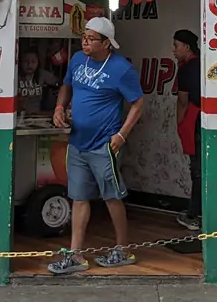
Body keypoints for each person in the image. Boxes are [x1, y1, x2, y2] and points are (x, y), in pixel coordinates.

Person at [48, 17, 145, 275]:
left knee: (112, 196)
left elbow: (137, 103)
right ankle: (75, 255)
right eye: (84, 37)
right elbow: (66, 86)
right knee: (78, 198)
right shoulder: (78, 59)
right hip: (77, 142)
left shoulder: (121, 69)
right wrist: (59, 107)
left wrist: (122, 134)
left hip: (105, 144)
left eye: (91, 39)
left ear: (106, 43)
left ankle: (122, 249)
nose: (85, 42)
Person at [172, 29, 201, 231]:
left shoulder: (185, 70)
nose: (173, 50)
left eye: (176, 46)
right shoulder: (205, 63)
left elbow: (183, 101)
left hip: (195, 121)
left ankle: (193, 215)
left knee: (198, 171)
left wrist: (179, 124)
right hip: (212, 121)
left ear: (187, 47)